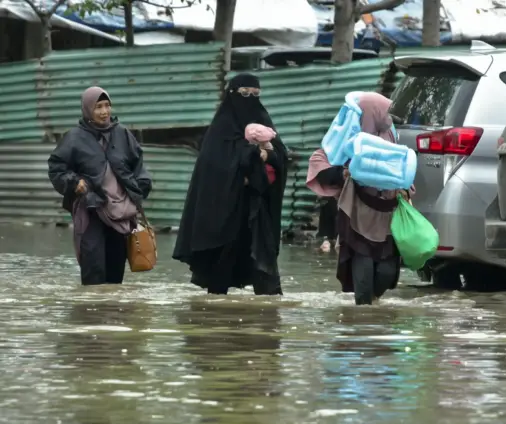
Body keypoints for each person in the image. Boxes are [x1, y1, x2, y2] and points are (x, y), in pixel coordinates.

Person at [173, 74, 288, 296]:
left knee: (266, 275)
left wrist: (265, 154)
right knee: (219, 277)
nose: (250, 99)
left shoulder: (265, 124)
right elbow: (216, 166)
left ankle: (270, 319)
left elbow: (281, 156)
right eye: (244, 93)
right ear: (232, 94)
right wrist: (254, 154)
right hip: (226, 212)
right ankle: (215, 319)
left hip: (257, 209)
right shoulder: (220, 131)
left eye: (255, 94)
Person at [307, 92, 407, 305]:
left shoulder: (391, 136)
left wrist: (406, 189)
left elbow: (403, 167)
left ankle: (373, 313)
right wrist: (343, 172)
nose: (390, 117)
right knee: (363, 276)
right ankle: (362, 326)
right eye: (387, 112)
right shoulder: (347, 137)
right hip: (357, 215)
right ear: (374, 112)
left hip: (388, 215)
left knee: (386, 273)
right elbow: (319, 160)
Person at [48, 86, 152, 286]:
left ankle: (111, 313)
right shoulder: (74, 138)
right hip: (91, 209)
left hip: (120, 211)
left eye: (107, 106)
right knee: (93, 266)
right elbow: (56, 168)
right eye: (98, 107)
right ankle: (91, 314)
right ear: (87, 109)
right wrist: (74, 182)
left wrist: (139, 187)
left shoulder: (122, 134)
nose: (104, 112)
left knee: (115, 271)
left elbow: (138, 165)